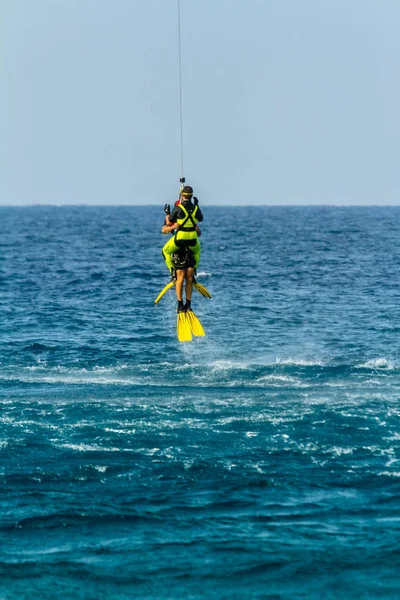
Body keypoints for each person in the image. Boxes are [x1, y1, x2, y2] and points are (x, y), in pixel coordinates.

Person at [161, 186, 203, 313]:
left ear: (182, 195)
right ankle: (188, 304)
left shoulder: (178, 209)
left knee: (165, 251)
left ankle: (172, 272)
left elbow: (169, 223)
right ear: (192, 195)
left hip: (180, 241)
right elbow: (200, 219)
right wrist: (197, 205)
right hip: (193, 242)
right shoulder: (196, 209)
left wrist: (167, 213)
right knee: (196, 254)